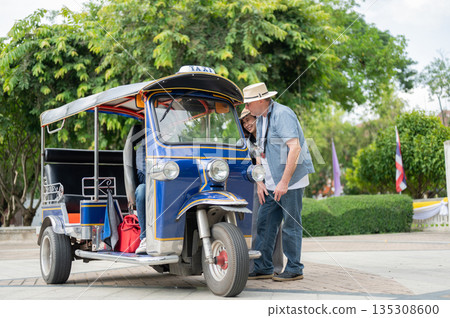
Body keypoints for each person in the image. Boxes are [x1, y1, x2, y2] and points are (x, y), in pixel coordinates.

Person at [244, 82, 314, 282]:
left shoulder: (282, 114)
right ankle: (263, 266)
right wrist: (260, 180)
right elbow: (259, 150)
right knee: (264, 223)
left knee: (290, 225)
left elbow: (295, 148)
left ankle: (294, 268)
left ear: (259, 100)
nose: (246, 108)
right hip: (271, 181)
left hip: (289, 182)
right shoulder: (262, 117)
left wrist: (284, 182)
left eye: (248, 103)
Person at [240, 108, 284, 275]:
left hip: (270, 182)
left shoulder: (269, 133)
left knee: (273, 225)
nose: (247, 124)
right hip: (257, 183)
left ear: (257, 118)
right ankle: (261, 266)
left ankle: (274, 266)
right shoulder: (248, 140)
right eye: (244, 122)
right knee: (260, 224)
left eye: (249, 119)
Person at [135, 139, 147, 254]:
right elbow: (143, 172)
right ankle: (145, 238)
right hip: (152, 180)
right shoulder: (144, 142)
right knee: (141, 190)